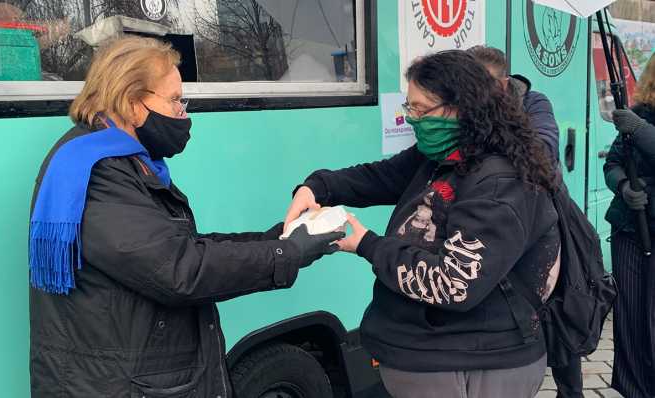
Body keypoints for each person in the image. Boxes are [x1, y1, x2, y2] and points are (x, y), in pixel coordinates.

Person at [28, 36, 343, 398]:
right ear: (132, 103)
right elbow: (180, 270)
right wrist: (288, 255)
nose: (184, 113)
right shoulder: (97, 173)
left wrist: (279, 238)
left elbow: (180, 248)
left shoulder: (124, 162)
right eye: (175, 100)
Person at [284, 50, 561, 398]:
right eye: (408, 107)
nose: (412, 119)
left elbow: (454, 283)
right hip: (430, 351)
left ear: (464, 107)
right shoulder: (441, 154)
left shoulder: (498, 182)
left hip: (475, 361)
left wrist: (367, 244)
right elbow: (379, 176)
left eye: (420, 109)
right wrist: (318, 187)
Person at [468, 45, 584, 398]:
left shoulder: (534, 103)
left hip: (542, 229)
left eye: (479, 87)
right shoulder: (465, 109)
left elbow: (545, 153)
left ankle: (571, 391)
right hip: (496, 228)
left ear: (502, 86)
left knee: (558, 319)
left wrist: (496, 126)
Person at [603, 53, 655, 398]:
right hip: (630, 230)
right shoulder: (639, 113)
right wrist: (623, 186)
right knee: (631, 317)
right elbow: (613, 162)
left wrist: (641, 131)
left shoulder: (638, 123)